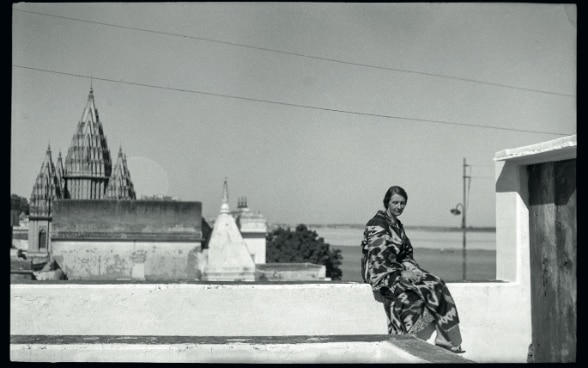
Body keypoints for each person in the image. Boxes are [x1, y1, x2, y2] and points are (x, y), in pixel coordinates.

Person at [360, 185, 464, 353]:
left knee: (436, 282)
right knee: (409, 296)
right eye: (395, 202)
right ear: (387, 202)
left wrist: (413, 269)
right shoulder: (377, 224)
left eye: (402, 203)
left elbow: (406, 253)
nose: (399, 207)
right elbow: (377, 258)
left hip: (397, 268)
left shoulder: (398, 225)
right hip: (381, 273)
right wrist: (401, 272)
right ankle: (405, 340)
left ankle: (444, 337)